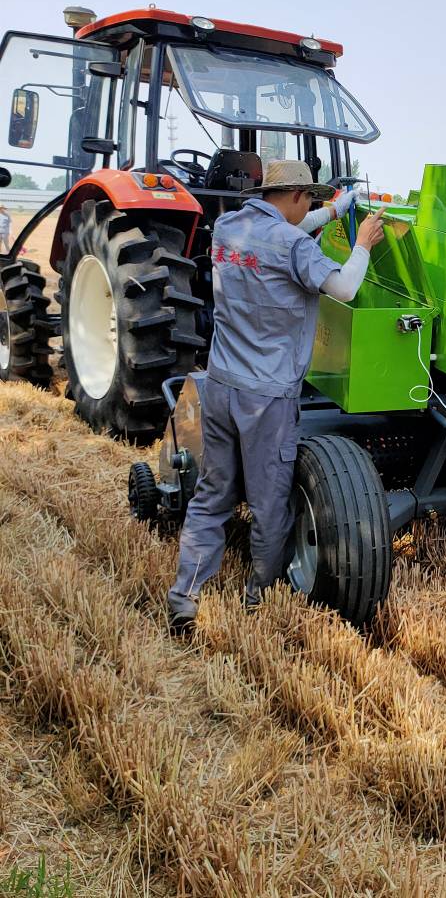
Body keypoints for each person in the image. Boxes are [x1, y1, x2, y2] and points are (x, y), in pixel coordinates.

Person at [167, 160, 385, 630]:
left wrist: (333, 211)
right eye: (309, 198)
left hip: (221, 384)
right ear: (293, 196)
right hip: (267, 397)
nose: (308, 206)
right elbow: (344, 287)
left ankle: (184, 597)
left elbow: (286, 232)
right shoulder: (290, 245)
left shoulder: (228, 227)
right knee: (270, 505)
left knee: (212, 495)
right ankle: (257, 597)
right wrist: (363, 244)